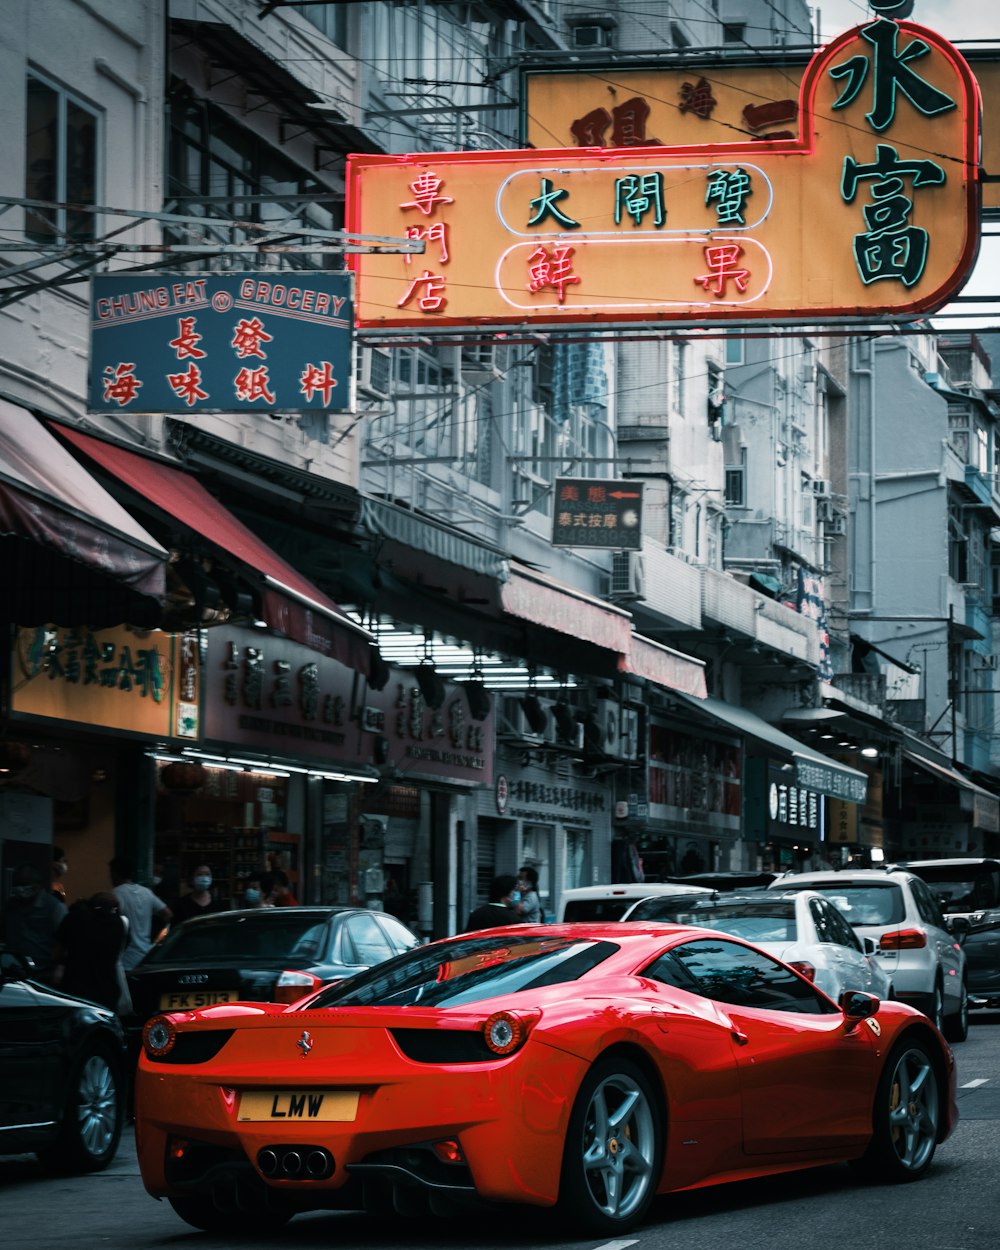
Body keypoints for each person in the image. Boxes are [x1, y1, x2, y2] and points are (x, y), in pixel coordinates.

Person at [55, 892, 131, 1014]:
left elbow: (59, 948)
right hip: (107, 991)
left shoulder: (74, 919)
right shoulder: (120, 924)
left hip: (74, 989)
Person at [1, 864, 66, 983]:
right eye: (17, 884)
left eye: (24, 883)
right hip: (13, 973)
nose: (20, 888)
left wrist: (60, 967)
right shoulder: (10, 906)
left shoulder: (54, 907)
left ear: (37, 885)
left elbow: (67, 941)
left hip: (43, 974)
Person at [110, 856, 172, 971]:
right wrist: (158, 940)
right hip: (145, 955)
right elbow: (167, 914)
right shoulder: (146, 893)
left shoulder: (115, 894)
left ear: (114, 873)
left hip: (124, 960)